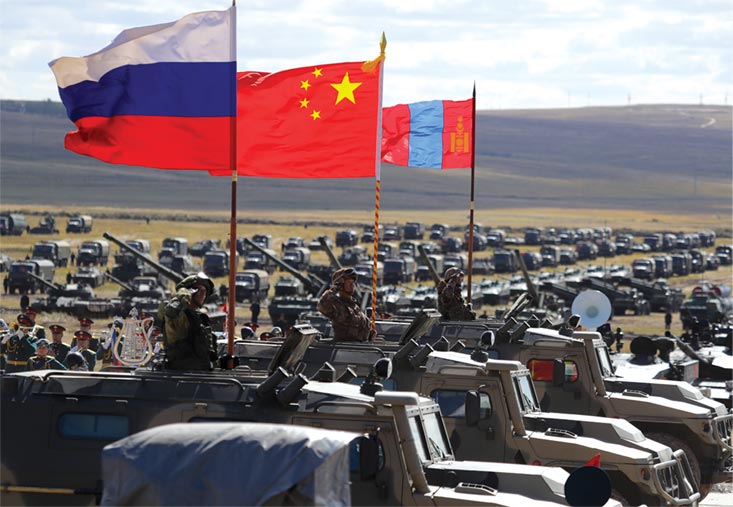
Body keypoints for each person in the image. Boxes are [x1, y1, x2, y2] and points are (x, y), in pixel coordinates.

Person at [157, 273, 217, 371]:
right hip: (182, 377)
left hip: (202, 376)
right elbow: (171, 313)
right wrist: (182, 295)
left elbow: (206, 355)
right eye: (199, 290)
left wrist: (222, 363)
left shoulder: (201, 319)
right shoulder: (179, 317)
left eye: (205, 291)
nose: (203, 294)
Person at [317, 267, 374, 342]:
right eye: (348, 282)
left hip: (360, 348)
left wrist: (370, 335)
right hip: (344, 349)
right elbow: (321, 305)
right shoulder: (336, 305)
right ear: (340, 285)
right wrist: (334, 289)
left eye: (353, 282)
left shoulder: (355, 306)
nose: (352, 285)